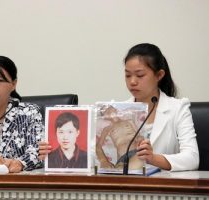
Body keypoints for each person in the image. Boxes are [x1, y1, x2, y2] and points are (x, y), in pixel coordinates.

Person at [40, 43, 199, 171]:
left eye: (140, 75)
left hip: (164, 190)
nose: (132, 81)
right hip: (125, 186)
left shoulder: (178, 108)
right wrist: (55, 151)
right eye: (128, 75)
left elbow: (192, 158)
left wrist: (154, 158)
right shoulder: (116, 112)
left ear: (159, 75)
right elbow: (92, 155)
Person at [95, 105, 144, 170]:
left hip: (136, 153)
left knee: (139, 162)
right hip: (122, 159)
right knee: (119, 171)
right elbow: (98, 146)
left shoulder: (129, 121)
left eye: (110, 107)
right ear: (104, 117)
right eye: (105, 110)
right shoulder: (107, 129)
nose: (108, 109)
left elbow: (140, 136)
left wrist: (140, 139)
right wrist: (103, 161)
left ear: (116, 109)